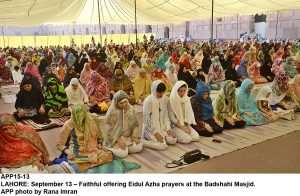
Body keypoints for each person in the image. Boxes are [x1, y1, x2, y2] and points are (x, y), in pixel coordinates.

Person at [57, 104, 113, 172]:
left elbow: (98, 135)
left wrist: (99, 144)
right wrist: (69, 153)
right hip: (77, 151)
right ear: (73, 114)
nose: (80, 116)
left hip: (92, 149)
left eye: (82, 113)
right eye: (77, 114)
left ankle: (88, 163)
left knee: (108, 156)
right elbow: (60, 144)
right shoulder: (68, 124)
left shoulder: (90, 121)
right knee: (75, 166)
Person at [105, 90, 142, 158]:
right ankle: (109, 149)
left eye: (125, 102)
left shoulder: (130, 108)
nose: (124, 105)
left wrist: (134, 136)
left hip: (128, 137)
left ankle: (126, 148)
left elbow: (134, 124)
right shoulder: (112, 111)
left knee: (138, 147)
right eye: (121, 103)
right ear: (116, 103)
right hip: (115, 139)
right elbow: (109, 129)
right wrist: (118, 140)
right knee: (123, 154)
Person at [142, 80, 177, 150]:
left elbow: (166, 116)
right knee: (162, 146)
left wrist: (168, 128)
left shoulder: (164, 99)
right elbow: (146, 121)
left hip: (162, 128)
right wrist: (155, 133)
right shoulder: (148, 101)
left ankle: (161, 137)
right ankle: (143, 141)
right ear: (154, 90)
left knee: (173, 140)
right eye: (159, 92)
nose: (161, 94)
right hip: (150, 130)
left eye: (163, 92)